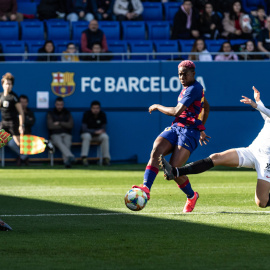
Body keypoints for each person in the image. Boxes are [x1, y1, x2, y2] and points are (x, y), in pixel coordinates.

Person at [160, 86, 270, 209]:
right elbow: (267, 116)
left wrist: (255, 105)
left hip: (266, 161)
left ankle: (175, 172)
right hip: (252, 151)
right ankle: (175, 172)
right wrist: (259, 102)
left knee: (261, 202)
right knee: (216, 157)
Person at [131, 60, 210, 213]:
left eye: (185, 74)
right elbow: (206, 106)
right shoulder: (189, 88)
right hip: (176, 127)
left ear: (193, 74)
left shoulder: (195, 88)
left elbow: (176, 111)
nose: (182, 77)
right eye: (179, 74)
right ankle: (146, 188)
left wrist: (157, 106)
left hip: (189, 133)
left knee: (172, 172)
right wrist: (202, 127)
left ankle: (192, 196)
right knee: (156, 150)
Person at [0, 72, 27, 166]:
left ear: (12, 85)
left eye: (10, 84)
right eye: (6, 83)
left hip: (13, 123)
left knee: (18, 143)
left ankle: (25, 157)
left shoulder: (14, 97)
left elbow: (20, 112)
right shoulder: (1, 96)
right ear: (2, 84)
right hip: (4, 123)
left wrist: (21, 125)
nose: (8, 86)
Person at [47, 97, 75, 168]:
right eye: (58, 104)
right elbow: (50, 126)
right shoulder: (50, 113)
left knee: (67, 143)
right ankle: (70, 157)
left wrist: (59, 123)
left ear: (63, 104)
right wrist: (64, 125)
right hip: (55, 134)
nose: (59, 106)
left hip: (66, 134)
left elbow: (70, 125)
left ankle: (67, 162)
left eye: (61, 104)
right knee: (59, 142)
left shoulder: (67, 113)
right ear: (55, 104)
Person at [81, 100, 111, 166]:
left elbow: (103, 129)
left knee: (105, 136)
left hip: (97, 136)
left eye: (97, 108)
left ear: (99, 109)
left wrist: (98, 132)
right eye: (94, 108)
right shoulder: (86, 114)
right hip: (87, 135)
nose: (96, 110)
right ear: (91, 109)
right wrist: (95, 131)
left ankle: (106, 159)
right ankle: (84, 158)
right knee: (87, 136)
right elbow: (84, 129)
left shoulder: (102, 115)